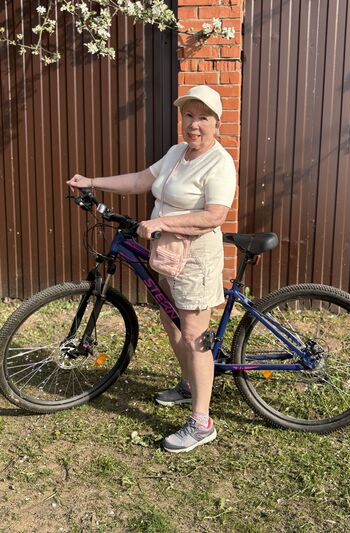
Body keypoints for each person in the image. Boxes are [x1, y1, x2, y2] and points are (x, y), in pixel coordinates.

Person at [67, 85, 237, 453]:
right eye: (188, 115)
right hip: (168, 253)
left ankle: (202, 423)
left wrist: (163, 223)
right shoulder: (177, 153)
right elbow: (142, 180)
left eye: (203, 117)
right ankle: (189, 385)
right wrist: (92, 181)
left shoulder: (219, 162)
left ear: (216, 124)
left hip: (195, 257)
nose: (193, 124)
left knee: (194, 335)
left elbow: (214, 216)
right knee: (172, 323)